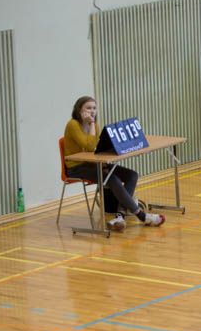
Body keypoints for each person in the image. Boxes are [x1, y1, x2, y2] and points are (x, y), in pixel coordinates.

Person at [63, 96, 164, 230]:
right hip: (76, 167)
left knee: (132, 175)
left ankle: (120, 215)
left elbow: (95, 148)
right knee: (112, 178)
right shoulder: (73, 124)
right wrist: (92, 124)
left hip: (92, 163)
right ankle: (141, 215)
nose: (92, 111)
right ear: (79, 110)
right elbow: (89, 146)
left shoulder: (95, 125)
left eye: (94, 108)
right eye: (88, 108)